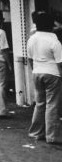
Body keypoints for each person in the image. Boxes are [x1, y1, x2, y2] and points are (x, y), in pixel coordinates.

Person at [27, 11, 62, 144]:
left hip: (37, 72)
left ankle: (36, 132)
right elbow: (60, 63)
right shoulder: (54, 41)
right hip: (52, 74)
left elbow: (30, 59)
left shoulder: (32, 39)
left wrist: (35, 70)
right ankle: (52, 136)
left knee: (40, 103)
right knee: (52, 105)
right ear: (51, 25)